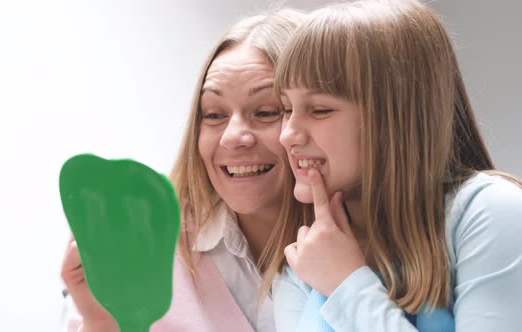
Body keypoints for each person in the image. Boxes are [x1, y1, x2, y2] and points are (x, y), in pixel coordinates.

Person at [271, 1, 522, 331]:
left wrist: (347, 283)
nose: (287, 135)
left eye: (319, 110)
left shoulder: (490, 211)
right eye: (286, 108)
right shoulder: (299, 264)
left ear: (395, 119)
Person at [60, 8, 311, 332]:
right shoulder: (142, 240)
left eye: (265, 111)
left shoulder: (370, 250)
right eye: (214, 115)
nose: (233, 137)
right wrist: (101, 322)